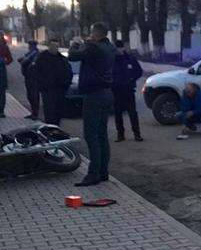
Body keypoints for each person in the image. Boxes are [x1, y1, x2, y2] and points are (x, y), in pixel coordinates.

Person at [69, 22, 115, 187]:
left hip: (93, 95)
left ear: (96, 33)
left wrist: (75, 43)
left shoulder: (93, 47)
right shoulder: (110, 47)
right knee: (102, 134)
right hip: (106, 93)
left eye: (91, 32)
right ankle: (103, 172)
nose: (90, 35)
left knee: (91, 135)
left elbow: (72, 56)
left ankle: (93, 173)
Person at [34, 40, 73, 125]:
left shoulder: (62, 59)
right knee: (49, 111)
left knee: (58, 111)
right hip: (48, 89)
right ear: (49, 47)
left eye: (56, 46)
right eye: (52, 46)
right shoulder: (42, 58)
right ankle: (50, 128)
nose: (54, 48)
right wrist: (42, 85)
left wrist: (66, 84)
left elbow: (68, 72)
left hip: (60, 89)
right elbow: (37, 73)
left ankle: (56, 127)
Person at [112, 40, 144, 142]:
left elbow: (139, 71)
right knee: (117, 114)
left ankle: (137, 134)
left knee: (132, 113)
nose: (116, 50)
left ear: (122, 48)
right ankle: (120, 135)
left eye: (117, 48)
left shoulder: (130, 59)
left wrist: (131, 79)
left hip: (128, 90)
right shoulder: (112, 60)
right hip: (116, 91)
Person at [18, 40, 40, 119]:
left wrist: (24, 61)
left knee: (33, 95)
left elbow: (25, 62)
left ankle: (35, 113)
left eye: (30, 45)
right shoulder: (30, 53)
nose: (29, 46)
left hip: (33, 77)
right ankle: (33, 113)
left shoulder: (35, 54)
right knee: (30, 95)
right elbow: (21, 60)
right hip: (28, 76)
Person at [0, 32, 12, 118]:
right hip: (2, 71)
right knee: (2, 92)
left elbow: (10, 59)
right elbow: (10, 59)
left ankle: (1, 111)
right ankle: (1, 111)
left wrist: (4, 62)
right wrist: (4, 62)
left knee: (2, 92)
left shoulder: (4, 47)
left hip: (2, 71)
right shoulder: (5, 46)